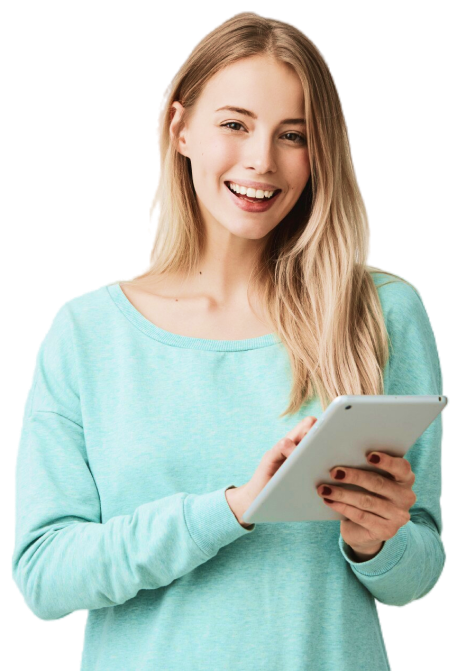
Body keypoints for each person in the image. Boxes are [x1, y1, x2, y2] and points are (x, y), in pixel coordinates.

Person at [12, 11, 446, 670]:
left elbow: (419, 574)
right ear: (181, 128)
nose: (261, 161)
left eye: (292, 135)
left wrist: (376, 541)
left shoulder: (382, 312)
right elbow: (44, 578)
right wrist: (236, 508)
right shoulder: (88, 333)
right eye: (235, 124)